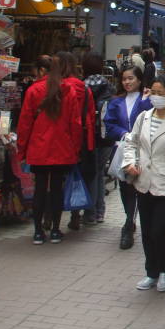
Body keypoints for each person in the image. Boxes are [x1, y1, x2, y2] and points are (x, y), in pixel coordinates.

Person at [17, 51, 95, 245]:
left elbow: (25, 123)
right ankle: (55, 230)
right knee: (57, 189)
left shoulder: (33, 91)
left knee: (40, 188)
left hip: (38, 147)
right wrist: (75, 148)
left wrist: (22, 150)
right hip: (62, 148)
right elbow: (75, 123)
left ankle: (37, 231)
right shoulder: (67, 90)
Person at [123, 74, 165, 293]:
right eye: (153, 92)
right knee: (146, 232)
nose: (156, 97)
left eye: (161, 93)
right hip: (143, 182)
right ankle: (151, 271)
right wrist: (130, 163)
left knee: (159, 232)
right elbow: (132, 142)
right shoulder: (144, 117)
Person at [104, 64, 152, 250]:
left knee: (141, 187)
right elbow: (109, 126)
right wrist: (125, 134)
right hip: (123, 149)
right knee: (125, 187)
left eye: (131, 78)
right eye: (124, 79)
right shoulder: (115, 101)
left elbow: (148, 118)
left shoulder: (147, 99)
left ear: (139, 80)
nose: (127, 82)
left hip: (145, 150)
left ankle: (134, 222)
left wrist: (144, 100)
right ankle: (128, 221)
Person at [82, 53, 115, 225]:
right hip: (107, 136)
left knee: (92, 174)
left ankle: (90, 213)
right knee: (100, 173)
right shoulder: (109, 86)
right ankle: (100, 211)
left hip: (90, 136)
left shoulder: (82, 87)